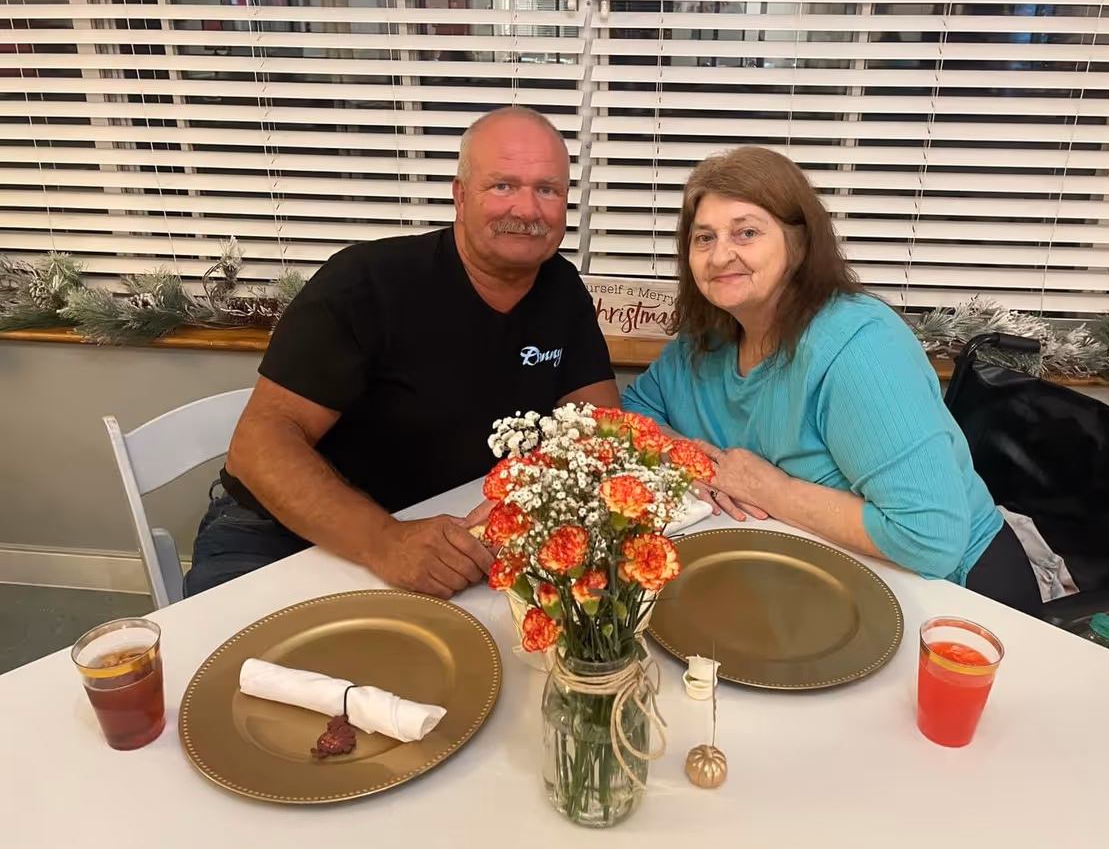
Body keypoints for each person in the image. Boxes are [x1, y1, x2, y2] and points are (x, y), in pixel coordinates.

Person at [185, 107, 620, 599]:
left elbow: (599, 426)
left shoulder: (561, 289)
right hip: (281, 535)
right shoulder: (365, 282)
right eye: (502, 186)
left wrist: (530, 504)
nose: (526, 209)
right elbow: (257, 446)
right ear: (459, 196)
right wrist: (385, 542)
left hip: (455, 537)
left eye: (548, 189)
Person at [622, 146, 1042, 615]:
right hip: (814, 581)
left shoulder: (860, 347)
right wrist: (691, 458)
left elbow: (930, 539)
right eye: (704, 238)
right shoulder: (710, 337)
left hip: (954, 600)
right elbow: (637, 412)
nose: (721, 255)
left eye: (747, 232)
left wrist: (767, 489)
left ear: (798, 244)